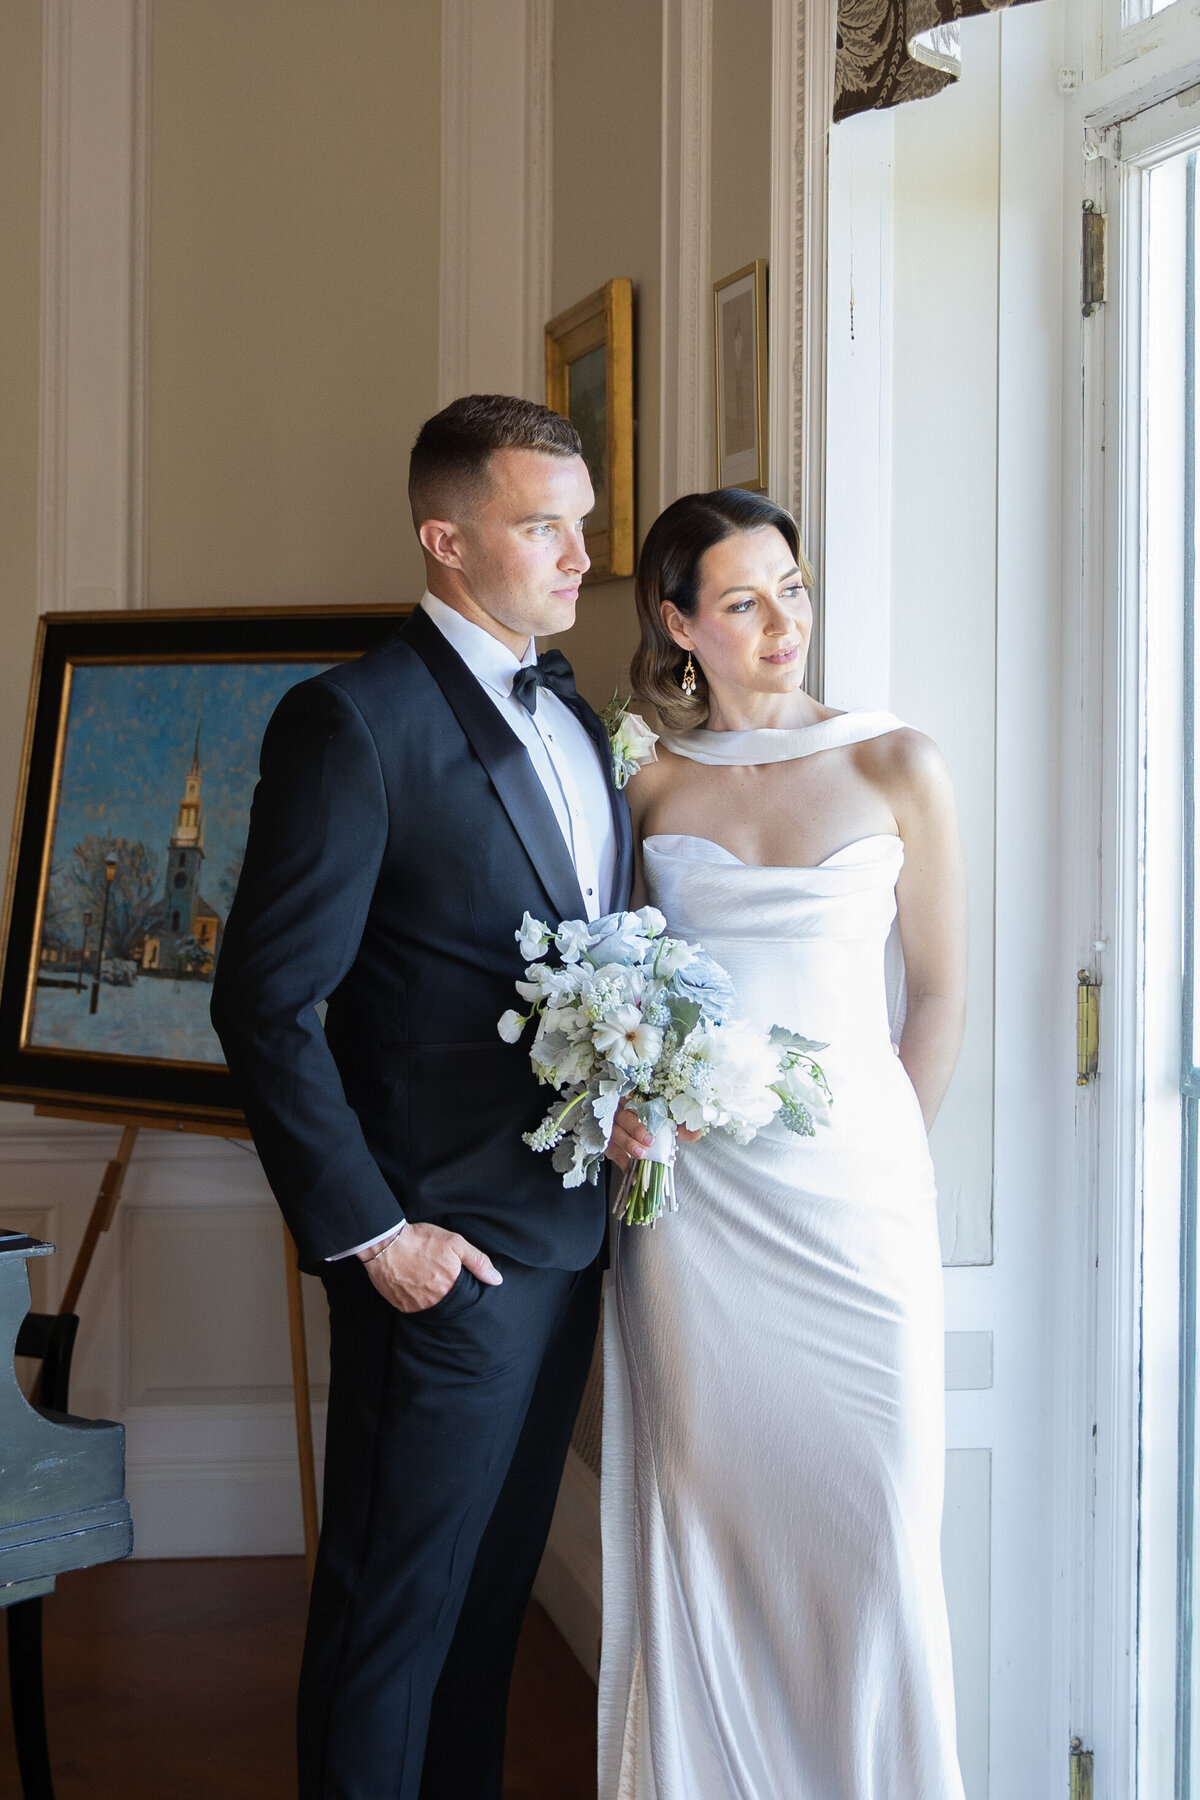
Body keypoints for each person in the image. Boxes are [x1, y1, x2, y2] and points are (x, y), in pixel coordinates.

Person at [210, 394, 632, 1800]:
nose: (580, 556)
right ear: (447, 541)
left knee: (484, 1614)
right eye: (542, 526)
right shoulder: (351, 721)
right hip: (437, 1260)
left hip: (567, 1243)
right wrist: (378, 1237)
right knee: (389, 1627)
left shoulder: (576, 713)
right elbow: (265, 1004)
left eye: (582, 524)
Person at [600, 488, 969, 1799]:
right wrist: (621, 1104)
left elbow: (939, 994)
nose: (783, 625)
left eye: (794, 591)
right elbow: (611, 981)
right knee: (708, 1520)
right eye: (745, 601)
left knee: (874, 1534)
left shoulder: (896, 764)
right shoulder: (644, 776)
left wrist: (882, 1155)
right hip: (695, 1216)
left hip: (857, 1206)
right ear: (678, 623)